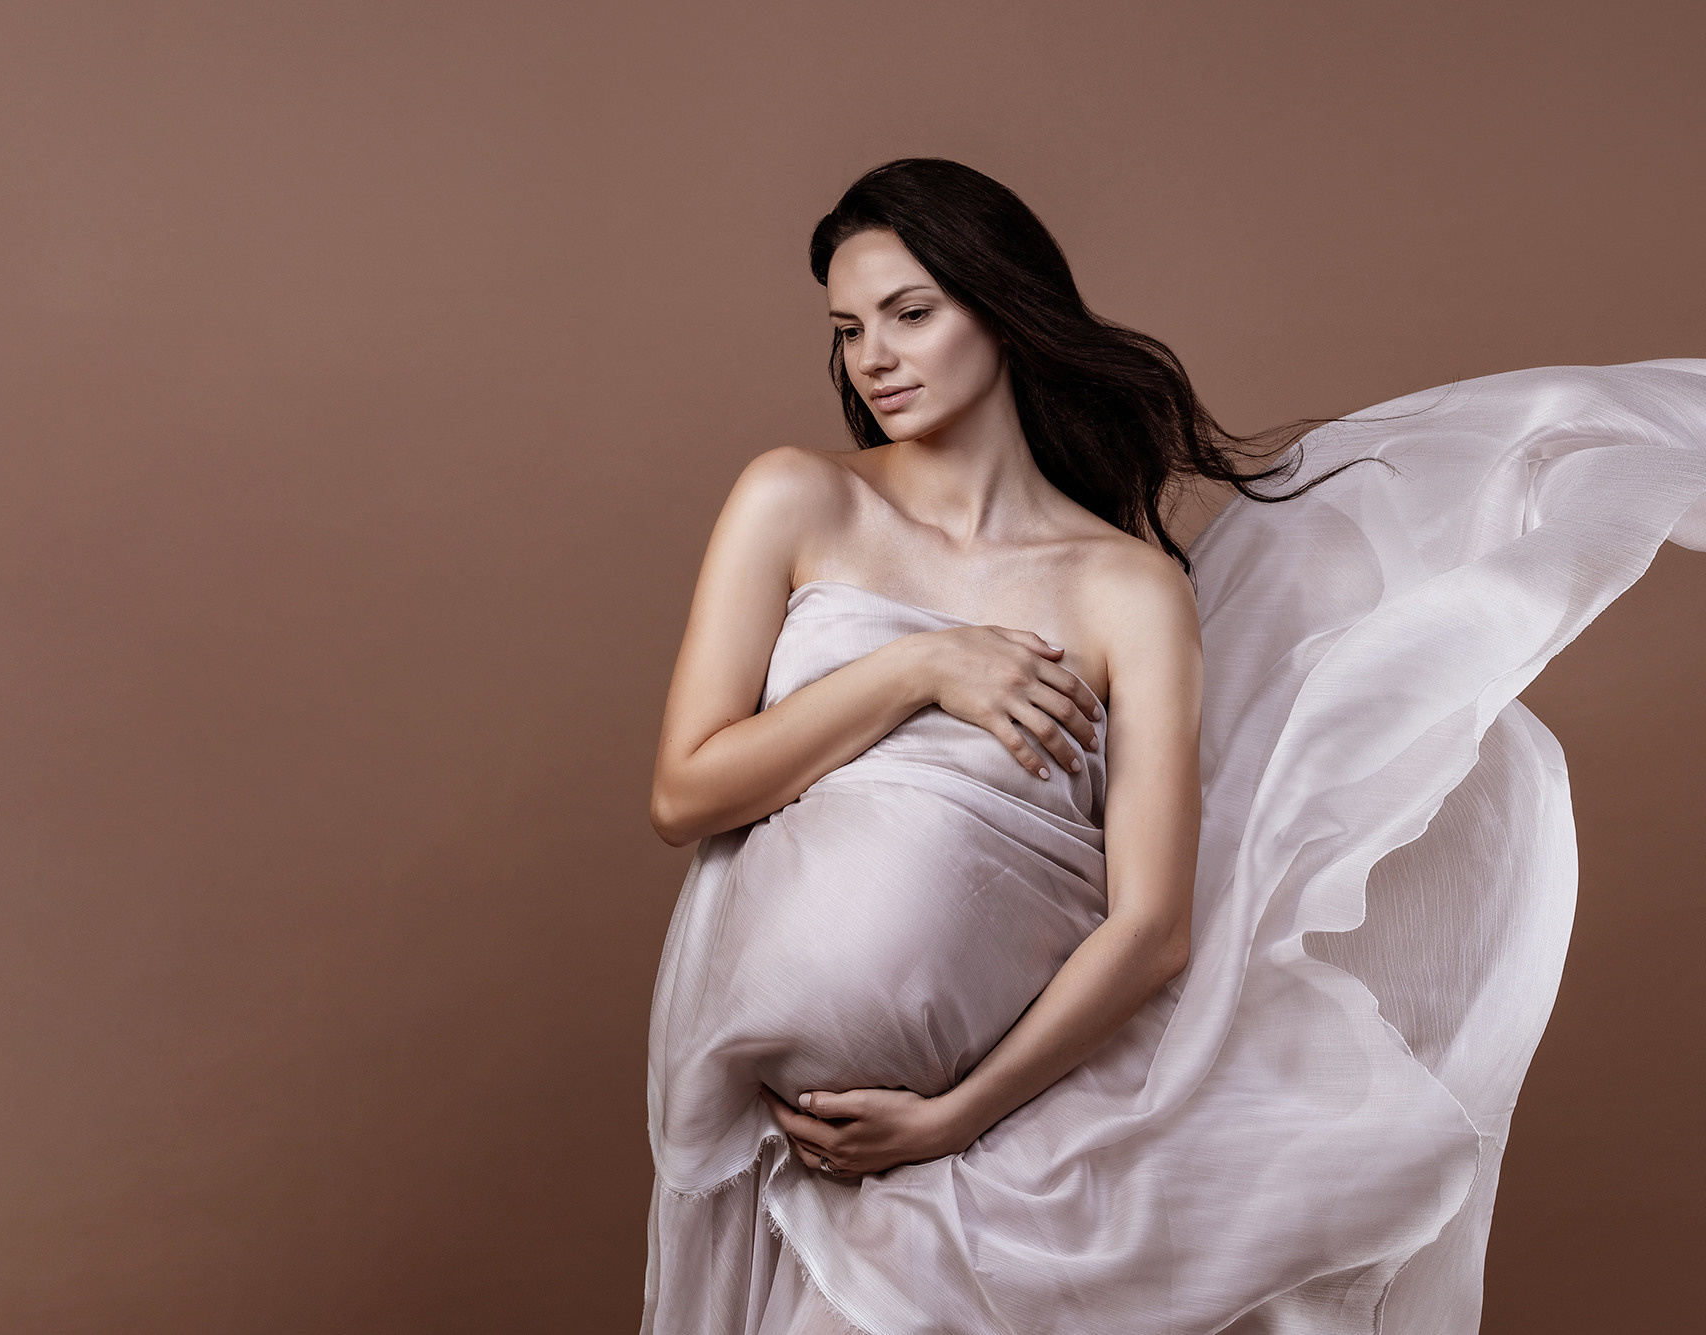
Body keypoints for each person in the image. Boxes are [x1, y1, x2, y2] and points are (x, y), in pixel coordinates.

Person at [640, 158, 1706, 1335]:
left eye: (909, 313)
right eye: (846, 330)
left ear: (1002, 308)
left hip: (995, 1134)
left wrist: (953, 1116)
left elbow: (1149, 928)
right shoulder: (796, 501)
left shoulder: (1127, 591)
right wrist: (917, 668)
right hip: (777, 1132)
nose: (871, 358)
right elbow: (687, 791)